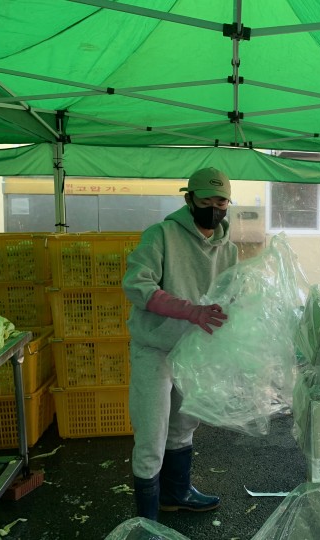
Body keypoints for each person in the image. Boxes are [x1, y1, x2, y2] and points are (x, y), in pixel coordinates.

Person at [122, 167, 238, 520]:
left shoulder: (228, 249)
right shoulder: (161, 235)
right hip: (155, 348)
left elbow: (229, 295)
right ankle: (147, 523)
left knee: (184, 426)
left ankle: (177, 493)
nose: (214, 208)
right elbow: (137, 285)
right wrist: (189, 310)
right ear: (189, 199)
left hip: (193, 350)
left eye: (221, 201)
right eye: (206, 200)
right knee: (152, 435)